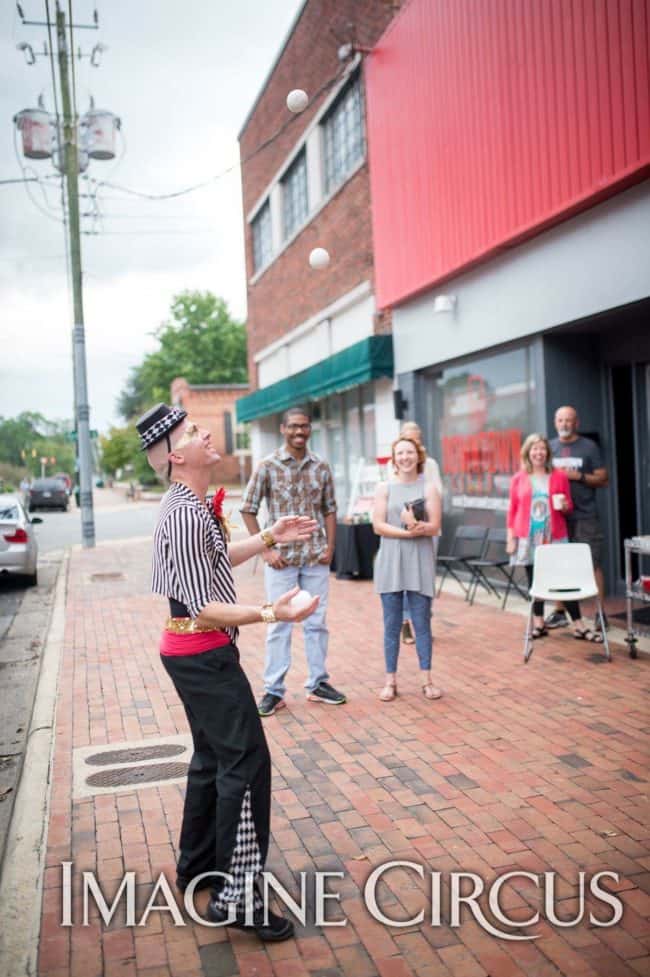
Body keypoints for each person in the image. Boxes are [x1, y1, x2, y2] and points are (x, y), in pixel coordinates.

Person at [136, 402, 321, 941]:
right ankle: (236, 896)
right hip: (203, 654)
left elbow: (215, 558)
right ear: (177, 454)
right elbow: (203, 608)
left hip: (193, 654)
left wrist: (269, 536)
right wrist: (273, 613)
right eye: (194, 430)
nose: (207, 432)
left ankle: (197, 865)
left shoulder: (191, 503)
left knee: (214, 757)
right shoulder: (185, 512)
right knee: (246, 763)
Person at [240, 406, 346, 717]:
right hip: (281, 561)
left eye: (305, 427)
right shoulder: (267, 467)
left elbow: (330, 509)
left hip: (315, 557)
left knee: (316, 623)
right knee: (278, 624)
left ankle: (318, 684)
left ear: (310, 429)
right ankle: (273, 691)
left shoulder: (321, 467)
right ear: (283, 429)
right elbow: (248, 508)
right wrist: (265, 549)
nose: (300, 432)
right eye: (294, 427)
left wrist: (331, 547)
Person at [506, 433, 604, 643]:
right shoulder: (519, 478)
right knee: (535, 580)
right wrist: (511, 538)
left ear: (547, 453)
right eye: (534, 449)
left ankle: (578, 626)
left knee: (563, 580)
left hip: (555, 535)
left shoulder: (559, 476)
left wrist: (566, 506)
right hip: (529, 537)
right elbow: (512, 510)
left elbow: (567, 506)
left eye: (542, 449)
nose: (538, 453)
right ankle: (539, 623)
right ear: (528, 452)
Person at [373, 436, 443, 701]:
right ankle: (390, 681)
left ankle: (427, 679)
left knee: (422, 623)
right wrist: (409, 531)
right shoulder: (384, 487)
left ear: (418, 456)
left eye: (410, 452)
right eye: (400, 453)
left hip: (420, 561)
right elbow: (378, 525)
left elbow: (434, 526)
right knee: (391, 625)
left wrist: (412, 524)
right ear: (394, 458)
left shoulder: (429, 488)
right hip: (391, 560)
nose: (405, 457)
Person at [546, 406, 609, 631]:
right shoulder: (549, 447)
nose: (564, 424)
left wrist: (579, 476)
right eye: (560, 420)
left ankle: (601, 614)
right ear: (555, 423)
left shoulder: (588, 447)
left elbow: (603, 479)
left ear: (576, 423)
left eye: (568, 420)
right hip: (558, 517)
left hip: (585, 516)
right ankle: (560, 610)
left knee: (592, 563)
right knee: (560, 564)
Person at [396, 421, 443, 645]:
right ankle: (405, 622)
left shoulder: (430, 464)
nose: (412, 443)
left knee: (425, 577)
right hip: (402, 530)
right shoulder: (394, 463)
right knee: (405, 577)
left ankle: (423, 621)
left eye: (416, 439)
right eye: (408, 438)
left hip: (428, 529)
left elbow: (438, 493)